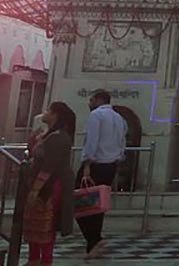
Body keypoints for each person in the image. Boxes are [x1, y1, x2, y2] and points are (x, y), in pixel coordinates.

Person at [24, 102, 76, 266]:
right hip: (41, 185)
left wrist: (35, 190)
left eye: (48, 110)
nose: (44, 112)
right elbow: (35, 153)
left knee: (46, 226)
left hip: (50, 188)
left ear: (55, 115)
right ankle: (34, 258)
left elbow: (49, 167)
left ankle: (45, 260)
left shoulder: (59, 137)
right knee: (35, 223)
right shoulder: (48, 135)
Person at [76, 89, 127, 259]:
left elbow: (92, 140)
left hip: (95, 165)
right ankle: (93, 242)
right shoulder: (119, 118)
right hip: (110, 166)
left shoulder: (96, 116)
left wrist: (86, 164)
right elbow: (122, 143)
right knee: (98, 206)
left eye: (91, 100)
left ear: (98, 100)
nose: (89, 103)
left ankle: (94, 238)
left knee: (79, 202)